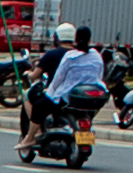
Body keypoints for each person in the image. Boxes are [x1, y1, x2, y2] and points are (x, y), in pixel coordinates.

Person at [20, 23, 106, 151]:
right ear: (90, 40)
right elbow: (99, 75)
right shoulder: (96, 55)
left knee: (38, 106)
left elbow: (58, 78)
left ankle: (30, 137)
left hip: (67, 96)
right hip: (91, 96)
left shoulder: (69, 56)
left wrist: (50, 94)